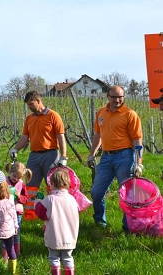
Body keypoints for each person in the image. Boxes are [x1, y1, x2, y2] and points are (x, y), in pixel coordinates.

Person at [87, 85, 143, 230]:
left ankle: (127, 226)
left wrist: (139, 162)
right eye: (114, 97)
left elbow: (137, 140)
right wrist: (92, 154)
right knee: (96, 192)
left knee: (126, 193)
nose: (117, 100)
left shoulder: (130, 114)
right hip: (106, 157)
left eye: (120, 97)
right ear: (108, 97)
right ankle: (100, 222)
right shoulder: (101, 113)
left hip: (125, 156)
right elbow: (98, 135)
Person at [9, 91, 67, 220]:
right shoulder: (29, 118)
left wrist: (63, 156)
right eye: (28, 105)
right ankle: (30, 215)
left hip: (51, 154)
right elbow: (25, 137)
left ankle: (53, 213)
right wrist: (15, 148)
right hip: (34, 155)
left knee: (52, 184)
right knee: (30, 185)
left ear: (38, 101)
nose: (29, 107)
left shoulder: (53, 116)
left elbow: (60, 137)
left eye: (31, 104)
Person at [35, 169, 79, 275]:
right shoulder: (72, 199)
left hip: (54, 235)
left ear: (52, 184)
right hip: (70, 236)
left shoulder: (49, 199)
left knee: (54, 258)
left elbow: (40, 213)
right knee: (68, 258)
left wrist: (37, 201)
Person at [2, 161, 32, 259]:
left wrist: (19, 197)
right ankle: (5, 256)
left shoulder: (21, 184)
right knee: (5, 233)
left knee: (16, 232)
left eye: (19, 177)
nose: (16, 179)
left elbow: (25, 198)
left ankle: (17, 251)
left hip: (17, 212)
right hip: (6, 212)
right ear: (10, 172)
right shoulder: (4, 182)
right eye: (14, 176)